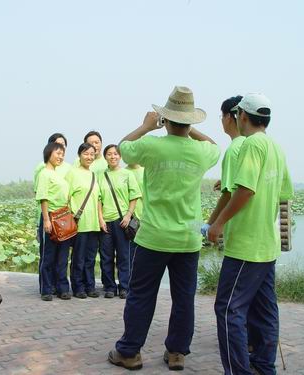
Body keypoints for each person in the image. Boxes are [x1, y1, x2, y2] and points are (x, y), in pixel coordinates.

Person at [108, 86, 220, 371]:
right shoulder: (200, 151)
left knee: (141, 295)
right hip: (187, 240)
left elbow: (123, 147)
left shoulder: (151, 145)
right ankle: (177, 353)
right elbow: (214, 146)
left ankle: (130, 352)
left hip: (154, 238)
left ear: (165, 120)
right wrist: (190, 131)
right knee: (184, 298)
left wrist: (146, 126)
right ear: (191, 121)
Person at [207, 93, 294, 375]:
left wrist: (218, 223)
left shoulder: (251, 145)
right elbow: (283, 194)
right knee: (265, 310)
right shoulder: (275, 147)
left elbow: (244, 190)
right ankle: (263, 366)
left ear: (241, 116)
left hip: (246, 245)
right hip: (267, 245)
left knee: (229, 309)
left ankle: (238, 370)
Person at [98, 144, 141, 299]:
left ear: (120, 156)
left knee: (124, 256)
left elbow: (134, 196)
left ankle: (124, 287)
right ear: (105, 157)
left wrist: (128, 215)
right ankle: (110, 287)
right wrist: (101, 219)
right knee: (106, 256)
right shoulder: (101, 176)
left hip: (122, 221)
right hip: (106, 222)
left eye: (116, 154)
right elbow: (98, 199)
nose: (113, 156)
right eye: (109, 154)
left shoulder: (127, 174)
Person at [202, 95, 244, 236]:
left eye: (222, 116)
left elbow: (228, 195)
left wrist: (211, 223)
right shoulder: (253, 144)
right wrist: (227, 180)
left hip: (240, 232)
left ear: (229, 117)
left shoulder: (234, 149)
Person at [35, 142, 73, 301]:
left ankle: (63, 288)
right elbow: (43, 197)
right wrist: (46, 220)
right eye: (57, 153)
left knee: (63, 256)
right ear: (48, 153)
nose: (60, 156)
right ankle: (46, 289)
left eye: (62, 153)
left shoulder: (59, 174)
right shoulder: (44, 173)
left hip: (63, 217)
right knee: (48, 256)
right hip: (51, 216)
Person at [66, 143, 101, 298]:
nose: (89, 157)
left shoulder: (94, 175)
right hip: (79, 224)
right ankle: (78, 287)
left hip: (93, 224)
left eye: (92, 154)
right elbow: (66, 197)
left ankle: (90, 286)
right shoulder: (72, 173)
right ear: (80, 155)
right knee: (78, 258)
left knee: (90, 258)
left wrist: (100, 220)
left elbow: (99, 199)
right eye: (86, 153)